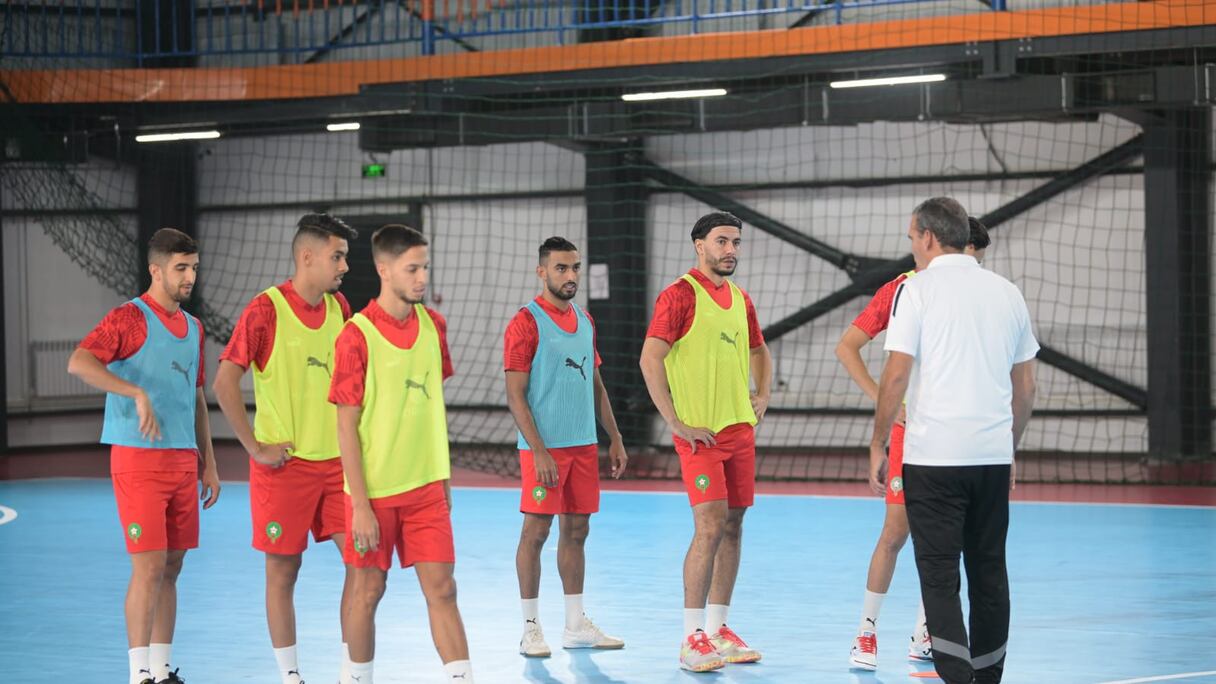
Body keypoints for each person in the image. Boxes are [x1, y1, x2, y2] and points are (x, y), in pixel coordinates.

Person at [871, 198, 1037, 684]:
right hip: (989, 458)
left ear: (926, 236)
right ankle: (987, 675)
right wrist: (1009, 448)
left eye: (910, 238)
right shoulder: (1008, 292)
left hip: (934, 459)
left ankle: (956, 676)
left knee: (939, 573)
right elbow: (1026, 388)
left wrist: (878, 442)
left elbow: (897, 374)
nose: (912, 248)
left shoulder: (916, 291)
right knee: (990, 570)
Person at [67, 228, 220, 684]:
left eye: (193, 266)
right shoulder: (128, 318)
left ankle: (161, 668)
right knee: (149, 566)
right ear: (156, 270)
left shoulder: (194, 328)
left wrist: (208, 462)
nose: (190, 275)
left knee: (172, 567)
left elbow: (196, 399)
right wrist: (133, 391)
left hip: (181, 460)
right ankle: (138, 675)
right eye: (180, 268)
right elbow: (79, 361)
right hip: (138, 460)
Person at [212, 214, 358, 684]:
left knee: (361, 563)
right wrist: (254, 447)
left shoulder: (341, 311)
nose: (344, 267)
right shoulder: (265, 309)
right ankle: (290, 676)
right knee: (283, 574)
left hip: (338, 467)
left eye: (346, 258)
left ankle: (350, 672)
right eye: (337, 256)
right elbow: (224, 381)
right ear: (307, 256)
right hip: (286, 468)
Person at [841, 217, 991, 671]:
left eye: (978, 262)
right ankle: (865, 633)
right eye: (970, 258)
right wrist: (886, 405)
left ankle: (926, 631)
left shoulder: (982, 294)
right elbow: (848, 346)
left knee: (953, 536)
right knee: (896, 533)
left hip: (959, 434)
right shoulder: (902, 289)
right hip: (913, 434)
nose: (972, 268)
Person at [329, 224, 474, 684]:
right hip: (373, 492)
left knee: (443, 589)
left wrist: (444, 478)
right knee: (368, 589)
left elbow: (427, 406)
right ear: (384, 269)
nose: (421, 278)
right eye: (412, 268)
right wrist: (361, 506)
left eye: (424, 267)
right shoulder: (355, 336)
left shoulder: (435, 325)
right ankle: (356, 678)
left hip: (427, 488)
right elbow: (346, 426)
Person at [639, 212, 772, 673]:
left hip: (739, 430)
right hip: (701, 436)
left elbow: (760, 350)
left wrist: (763, 394)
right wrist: (674, 421)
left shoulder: (740, 298)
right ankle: (691, 636)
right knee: (710, 526)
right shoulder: (679, 295)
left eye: (736, 241)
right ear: (700, 245)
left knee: (734, 526)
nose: (730, 249)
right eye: (722, 241)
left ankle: (719, 628)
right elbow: (650, 358)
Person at [504, 236, 629, 658]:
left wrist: (613, 437)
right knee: (536, 532)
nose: (571, 275)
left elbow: (595, 384)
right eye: (561, 268)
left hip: (583, 447)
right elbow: (515, 394)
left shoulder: (587, 321)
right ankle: (530, 627)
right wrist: (538, 449)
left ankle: (575, 625)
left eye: (575, 267)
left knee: (576, 532)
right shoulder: (525, 322)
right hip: (544, 450)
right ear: (542, 272)